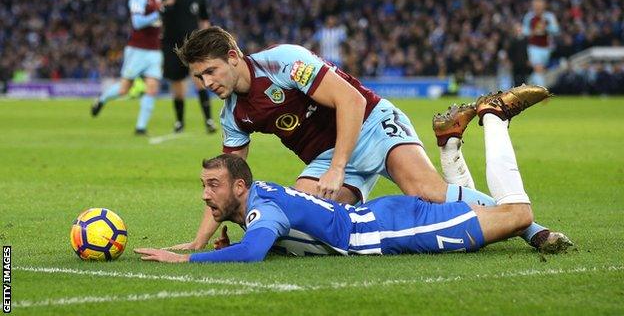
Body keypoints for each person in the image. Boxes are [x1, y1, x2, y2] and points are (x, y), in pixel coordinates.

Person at [167, 27, 569, 253]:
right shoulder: (233, 115)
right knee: (302, 230)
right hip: (329, 155)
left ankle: (532, 229)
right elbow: (227, 180)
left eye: (211, 71)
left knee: (425, 190)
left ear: (234, 55)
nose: (207, 84)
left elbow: (351, 100)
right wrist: (202, 239)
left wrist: (340, 168)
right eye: (200, 78)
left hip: (372, 122)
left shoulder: (283, 61)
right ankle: (448, 149)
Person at [134, 95, 573, 263]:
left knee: (516, 215)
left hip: (393, 229)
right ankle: (450, 147)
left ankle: (495, 117)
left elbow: (252, 252)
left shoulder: (262, 210)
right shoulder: (263, 201)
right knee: (469, 207)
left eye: (213, 186)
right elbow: (276, 237)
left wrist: (189, 258)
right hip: (378, 217)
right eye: (203, 186)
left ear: (241, 188)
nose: (205, 196)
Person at [90, 0, 163, 135]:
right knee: (124, 89)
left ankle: (140, 128)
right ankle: (101, 100)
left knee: (152, 87)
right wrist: (157, 14)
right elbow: (137, 22)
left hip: (154, 51)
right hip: (137, 50)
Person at [160, 0, 216, 134]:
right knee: (177, 85)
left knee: (200, 80)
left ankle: (208, 120)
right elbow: (161, 11)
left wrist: (206, 40)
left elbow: (204, 20)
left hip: (193, 46)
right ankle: (179, 122)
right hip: (171, 45)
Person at [522, 0, 560, 86]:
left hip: (546, 48)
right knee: (538, 68)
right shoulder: (529, 17)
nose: (538, 8)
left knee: (539, 70)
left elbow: (556, 29)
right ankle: (543, 92)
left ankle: (527, 85)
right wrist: (532, 32)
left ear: (544, 6)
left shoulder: (549, 17)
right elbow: (525, 30)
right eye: (536, 6)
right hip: (533, 47)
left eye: (540, 5)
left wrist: (546, 28)